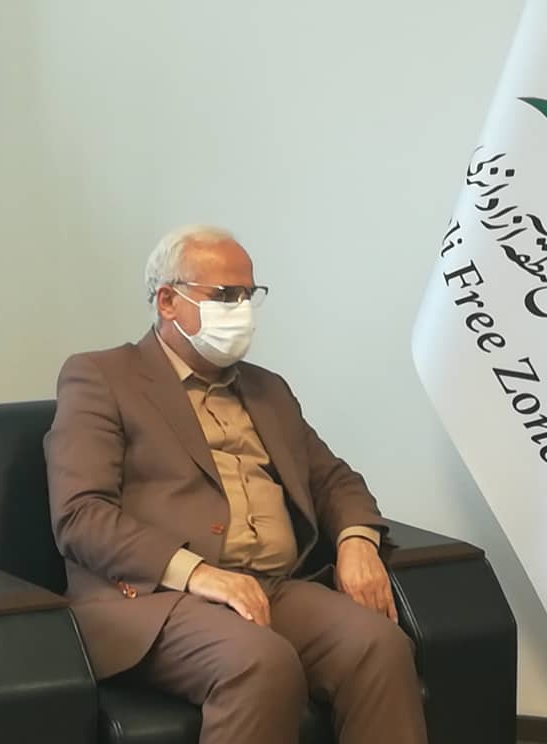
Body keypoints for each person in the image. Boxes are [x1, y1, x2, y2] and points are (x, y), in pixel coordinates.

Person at [45, 225, 427, 744]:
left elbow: (333, 479)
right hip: (153, 598)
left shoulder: (269, 390)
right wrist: (198, 573)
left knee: (379, 645)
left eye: (249, 295)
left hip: (272, 587)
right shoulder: (101, 377)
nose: (241, 309)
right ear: (167, 301)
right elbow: (80, 515)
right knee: (260, 661)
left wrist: (357, 541)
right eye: (225, 296)